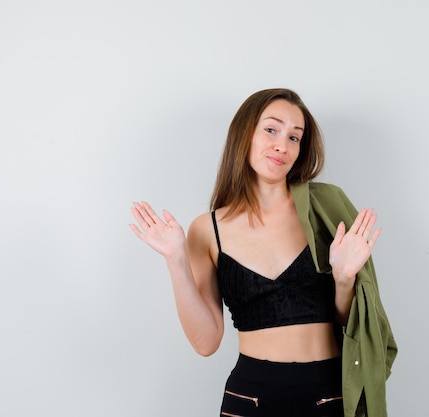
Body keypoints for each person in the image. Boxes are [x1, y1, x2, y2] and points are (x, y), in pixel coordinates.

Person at [129, 88, 397, 417]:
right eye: (271, 129)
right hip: (249, 399)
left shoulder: (326, 207)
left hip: (328, 396)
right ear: (245, 134)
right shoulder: (206, 229)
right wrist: (176, 259)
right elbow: (206, 342)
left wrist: (344, 279)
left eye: (294, 137)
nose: (282, 146)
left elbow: (351, 322)